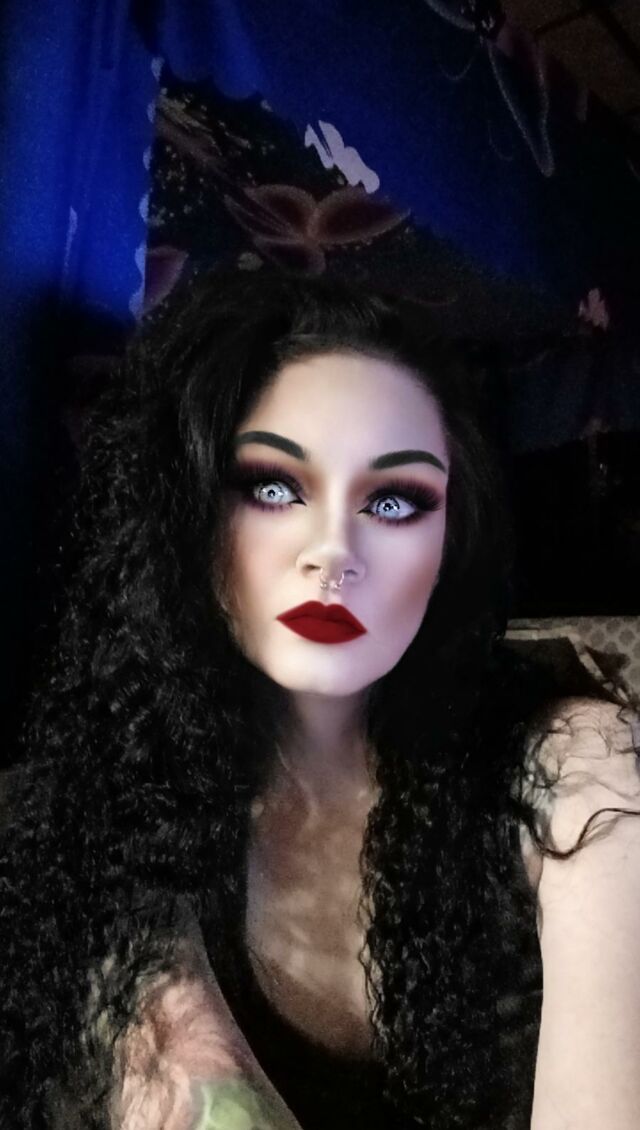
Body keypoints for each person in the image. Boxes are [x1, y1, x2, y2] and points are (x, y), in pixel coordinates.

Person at [1, 269, 639, 1130]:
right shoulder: (114, 809)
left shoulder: (577, 773)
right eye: (273, 488)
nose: (333, 550)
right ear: (188, 518)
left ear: (452, 541)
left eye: (394, 500)